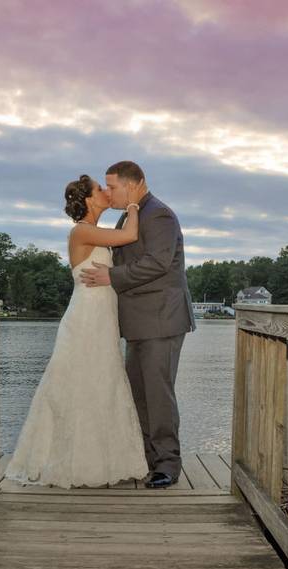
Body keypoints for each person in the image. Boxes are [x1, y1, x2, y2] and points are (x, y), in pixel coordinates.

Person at [3, 174, 149, 488]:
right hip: (86, 318)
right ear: (87, 199)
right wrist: (135, 202)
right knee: (80, 381)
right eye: (100, 189)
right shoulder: (83, 231)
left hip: (102, 318)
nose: (106, 193)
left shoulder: (96, 232)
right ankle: (71, 461)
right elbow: (131, 235)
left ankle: (101, 460)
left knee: (102, 380)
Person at [80, 161, 196, 488]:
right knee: (139, 394)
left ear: (135, 184)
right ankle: (146, 457)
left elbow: (157, 263)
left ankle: (168, 465)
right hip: (139, 322)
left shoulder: (158, 214)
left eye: (113, 186)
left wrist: (110, 276)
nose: (108, 192)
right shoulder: (130, 214)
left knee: (158, 395)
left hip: (161, 319)